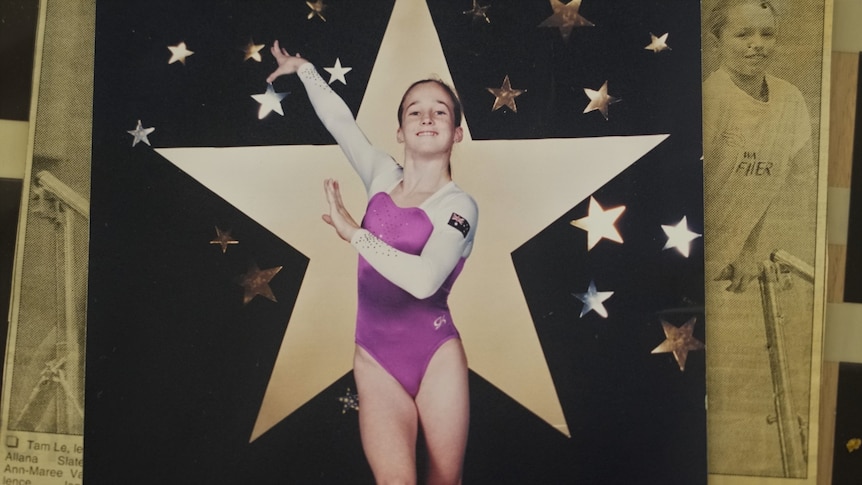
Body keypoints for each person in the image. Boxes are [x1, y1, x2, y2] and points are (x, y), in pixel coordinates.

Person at [267, 41, 477, 484]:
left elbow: (423, 282)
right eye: (414, 110)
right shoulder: (381, 174)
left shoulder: (459, 207)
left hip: (437, 355)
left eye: (440, 111)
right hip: (376, 358)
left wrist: (355, 234)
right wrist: (305, 68)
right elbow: (340, 121)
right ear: (400, 130)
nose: (426, 117)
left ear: (457, 133)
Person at [702, 0, 815, 476]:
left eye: (766, 35)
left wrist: (751, 247)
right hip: (694, 262)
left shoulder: (789, 99)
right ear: (718, 41)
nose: (756, 46)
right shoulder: (710, 99)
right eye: (743, 35)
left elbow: (790, 180)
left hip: (744, 268)